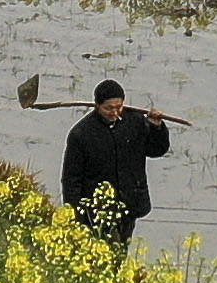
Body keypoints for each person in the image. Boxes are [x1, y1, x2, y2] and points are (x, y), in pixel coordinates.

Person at [58, 79, 171, 248]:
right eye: (108, 108)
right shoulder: (81, 134)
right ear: (97, 105)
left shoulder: (135, 122)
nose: (115, 112)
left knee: (120, 251)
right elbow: (71, 179)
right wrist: (75, 214)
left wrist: (156, 127)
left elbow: (156, 150)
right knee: (102, 252)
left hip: (129, 203)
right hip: (96, 209)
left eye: (119, 107)